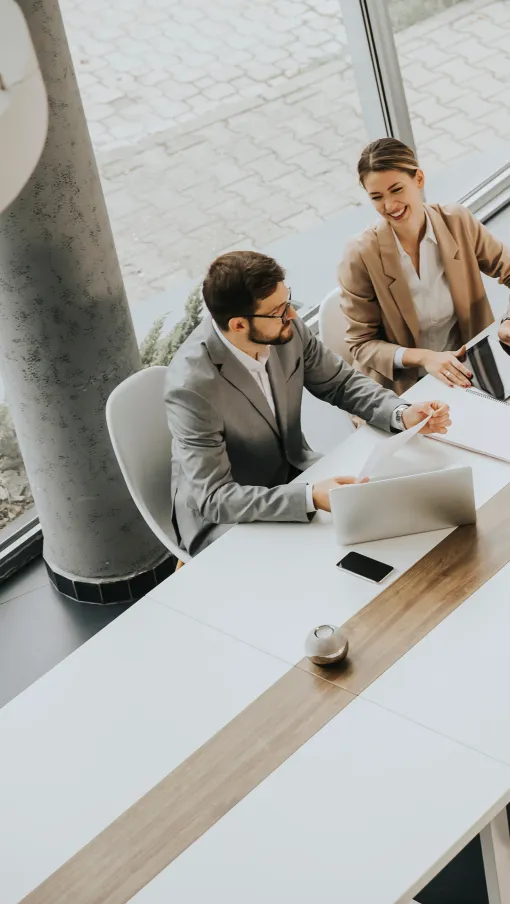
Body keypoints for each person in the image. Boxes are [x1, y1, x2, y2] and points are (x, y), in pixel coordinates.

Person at [164, 251, 450, 557]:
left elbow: (340, 383)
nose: (293, 315)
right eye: (278, 311)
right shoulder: (192, 387)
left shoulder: (285, 327)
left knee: (394, 525)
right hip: (227, 517)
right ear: (238, 325)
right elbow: (215, 498)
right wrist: (309, 497)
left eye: (287, 300)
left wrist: (401, 413)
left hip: (294, 473)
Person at [338, 138, 510, 395]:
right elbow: (361, 345)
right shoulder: (360, 255)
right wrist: (424, 358)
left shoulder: (457, 222)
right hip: (403, 387)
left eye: (396, 189)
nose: (389, 205)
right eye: (377, 197)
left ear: (418, 179)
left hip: (470, 369)